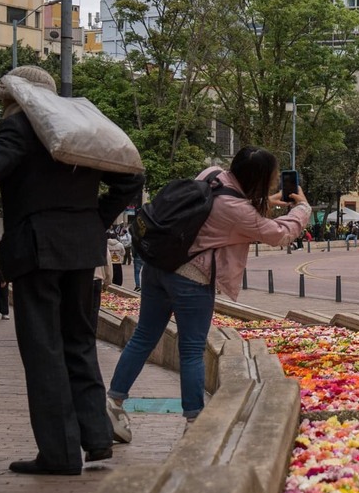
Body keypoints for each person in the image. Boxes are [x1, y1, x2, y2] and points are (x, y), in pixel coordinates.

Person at [0, 66, 142, 475]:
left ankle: (59, 454)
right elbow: (132, 178)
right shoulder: (78, 128)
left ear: (16, 97)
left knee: (43, 350)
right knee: (79, 343)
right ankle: (97, 439)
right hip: (82, 250)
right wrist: (93, 219)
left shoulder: (22, 126)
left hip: (37, 250)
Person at [105, 147, 309, 436]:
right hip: (190, 278)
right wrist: (303, 209)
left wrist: (268, 203)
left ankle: (112, 403)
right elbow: (277, 234)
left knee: (143, 337)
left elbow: (227, 210)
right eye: (273, 179)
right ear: (260, 178)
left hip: (158, 267)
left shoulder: (211, 175)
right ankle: (194, 422)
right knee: (191, 350)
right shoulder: (238, 211)